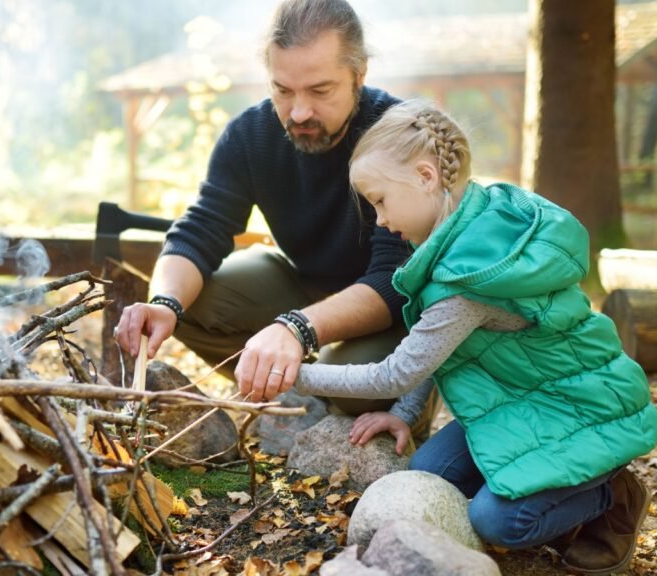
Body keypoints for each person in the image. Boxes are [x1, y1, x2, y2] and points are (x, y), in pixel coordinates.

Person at [271, 99, 657, 574]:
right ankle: (562, 488)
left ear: (425, 176)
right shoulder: (465, 232)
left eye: (379, 200)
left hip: (579, 407)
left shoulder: (470, 278)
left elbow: (396, 371)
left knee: (501, 523)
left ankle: (612, 494)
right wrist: (406, 414)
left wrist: (295, 375)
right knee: (427, 478)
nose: (380, 219)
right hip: (519, 399)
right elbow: (439, 348)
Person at [115, 0, 438, 445]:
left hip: (392, 314)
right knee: (186, 306)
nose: (298, 111)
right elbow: (200, 229)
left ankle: (358, 394)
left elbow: (393, 280)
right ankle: (286, 386)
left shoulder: (399, 134)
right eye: (282, 90)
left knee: (354, 388)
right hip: (302, 284)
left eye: (320, 91)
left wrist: (295, 328)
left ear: (359, 74)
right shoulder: (249, 136)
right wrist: (164, 303)